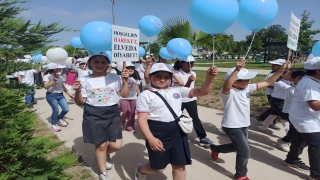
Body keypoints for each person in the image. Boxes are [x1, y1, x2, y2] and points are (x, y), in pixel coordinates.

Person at [135, 63, 218, 180]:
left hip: (178, 132)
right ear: (150, 76)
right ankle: (140, 169)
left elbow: (202, 91)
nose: (162, 79)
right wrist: (150, 138)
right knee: (158, 168)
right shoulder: (145, 95)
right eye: (158, 76)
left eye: (166, 76)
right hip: (157, 133)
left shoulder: (177, 90)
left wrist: (209, 78)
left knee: (180, 166)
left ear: (171, 77)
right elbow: (142, 120)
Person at [210, 59, 289, 180]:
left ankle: (216, 148)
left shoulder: (248, 88)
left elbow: (268, 82)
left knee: (238, 147)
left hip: (244, 124)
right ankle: (241, 175)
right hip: (231, 125)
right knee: (244, 151)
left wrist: (282, 70)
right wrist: (237, 70)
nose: (249, 81)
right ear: (235, 82)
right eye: (246, 79)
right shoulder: (228, 92)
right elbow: (227, 85)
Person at [73, 52, 129, 180]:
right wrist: (77, 91)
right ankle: (103, 172)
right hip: (93, 114)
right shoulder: (84, 80)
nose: (99, 64)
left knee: (116, 145)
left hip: (113, 113)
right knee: (101, 145)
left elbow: (124, 95)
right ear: (89, 64)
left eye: (103, 62)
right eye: (96, 62)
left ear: (108, 63)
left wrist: (125, 81)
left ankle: (103, 155)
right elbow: (80, 102)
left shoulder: (115, 77)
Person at [284, 57, 320, 180]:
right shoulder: (308, 84)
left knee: (301, 138)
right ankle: (316, 174)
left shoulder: (314, 80)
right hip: (304, 118)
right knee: (316, 143)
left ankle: (292, 159)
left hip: (306, 116)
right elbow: (315, 105)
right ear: (318, 70)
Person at [174, 55, 214, 146]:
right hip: (179, 100)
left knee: (195, 118)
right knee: (175, 118)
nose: (191, 64)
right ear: (181, 63)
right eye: (188, 63)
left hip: (191, 99)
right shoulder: (176, 75)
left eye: (192, 62)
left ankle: (202, 137)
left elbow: (190, 90)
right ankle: (174, 136)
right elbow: (181, 91)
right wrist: (189, 81)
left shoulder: (193, 73)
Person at [277, 70, 306, 153]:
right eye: (299, 78)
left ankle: (285, 140)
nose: (302, 80)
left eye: (303, 78)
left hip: (295, 112)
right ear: (292, 79)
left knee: (294, 128)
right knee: (295, 129)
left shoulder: (299, 89)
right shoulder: (292, 90)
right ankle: (285, 141)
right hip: (289, 112)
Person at [259, 68, 293, 134]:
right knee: (286, 118)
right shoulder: (280, 83)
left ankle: (264, 127)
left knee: (273, 115)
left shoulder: (288, 82)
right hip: (278, 101)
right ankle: (289, 135)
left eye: (291, 74)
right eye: (289, 74)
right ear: (282, 75)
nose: (290, 75)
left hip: (279, 101)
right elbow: (290, 89)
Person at [256, 59, 286, 130]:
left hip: (280, 95)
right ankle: (265, 120)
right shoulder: (271, 74)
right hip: (271, 94)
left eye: (274, 65)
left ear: (280, 67)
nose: (272, 66)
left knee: (274, 109)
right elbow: (268, 84)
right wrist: (279, 87)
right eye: (272, 65)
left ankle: (265, 120)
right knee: (276, 109)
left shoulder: (284, 74)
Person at [43, 63, 74, 132]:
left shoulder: (60, 76)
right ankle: (54, 124)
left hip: (60, 95)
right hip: (51, 95)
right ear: (54, 69)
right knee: (56, 110)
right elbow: (46, 86)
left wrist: (69, 93)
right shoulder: (47, 76)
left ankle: (59, 118)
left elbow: (62, 86)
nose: (61, 69)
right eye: (60, 68)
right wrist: (54, 80)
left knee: (66, 109)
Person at [120, 62, 141, 132]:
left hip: (133, 98)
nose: (130, 69)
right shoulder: (120, 78)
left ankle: (130, 126)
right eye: (128, 68)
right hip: (123, 98)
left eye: (132, 68)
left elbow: (137, 89)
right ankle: (121, 122)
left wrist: (140, 96)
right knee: (126, 112)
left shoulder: (136, 79)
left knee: (132, 113)